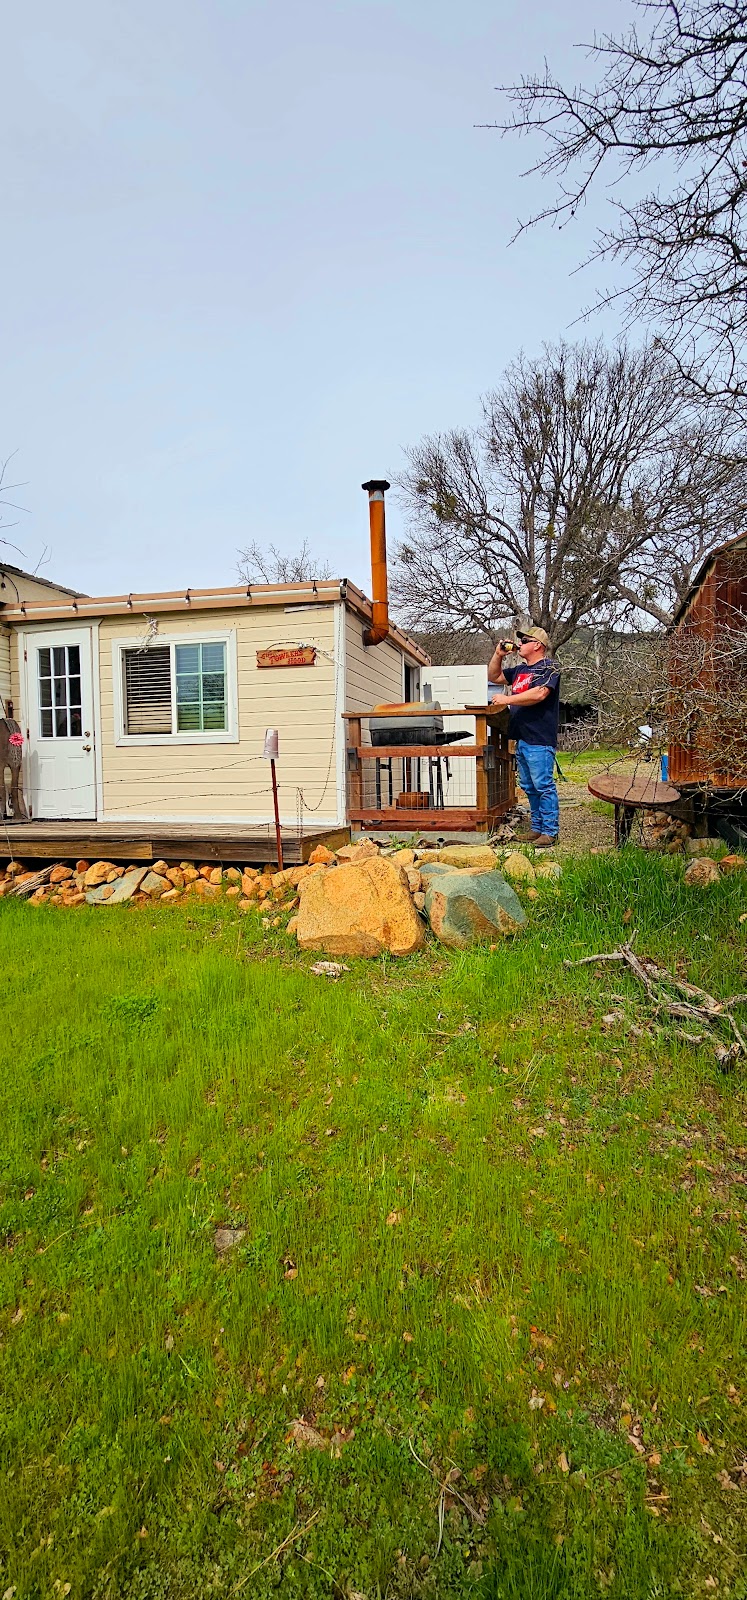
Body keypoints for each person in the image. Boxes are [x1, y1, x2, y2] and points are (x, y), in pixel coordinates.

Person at [487, 627, 561, 846]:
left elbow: (540, 693)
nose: (520, 644)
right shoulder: (520, 670)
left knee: (543, 785)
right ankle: (537, 829)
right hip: (522, 737)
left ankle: (550, 832)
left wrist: (507, 700)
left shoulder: (549, 667)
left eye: (525, 640)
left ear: (537, 645)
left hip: (539, 738)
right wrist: (498, 655)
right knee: (529, 787)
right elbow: (494, 676)